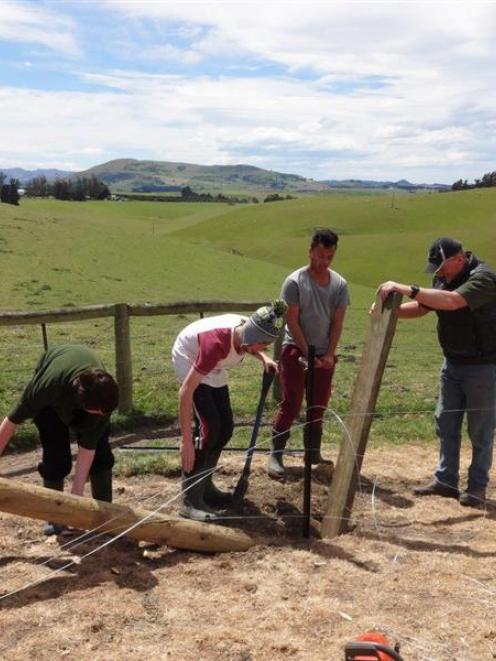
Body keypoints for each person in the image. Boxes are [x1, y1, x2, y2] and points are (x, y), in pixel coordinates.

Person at [376, 237, 496, 507]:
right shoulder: (443, 278)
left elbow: (453, 302)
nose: (439, 274)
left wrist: (406, 288)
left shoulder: (484, 278)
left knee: (480, 429)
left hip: (483, 366)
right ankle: (446, 480)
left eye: (442, 267)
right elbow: (423, 307)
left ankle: (477, 487)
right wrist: (388, 311)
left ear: (460, 258)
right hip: (452, 363)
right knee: (446, 423)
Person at [172, 300, 286, 522]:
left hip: (215, 366)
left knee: (225, 428)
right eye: (262, 347)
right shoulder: (215, 343)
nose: (262, 350)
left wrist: (263, 357)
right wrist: (186, 441)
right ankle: (189, 501)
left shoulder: (245, 332)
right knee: (209, 429)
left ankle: (206, 488)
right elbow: (185, 393)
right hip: (190, 359)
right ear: (253, 338)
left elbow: (247, 344)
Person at [0, 344, 119, 533]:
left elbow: (88, 447)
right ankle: (55, 515)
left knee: (101, 455)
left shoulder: (103, 397)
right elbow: (10, 423)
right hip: (51, 398)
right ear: (83, 402)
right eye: (97, 412)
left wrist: (76, 501)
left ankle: (104, 514)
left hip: (88, 395)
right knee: (56, 456)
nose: (101, 415)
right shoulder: (45, 388)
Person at [267, 228, 350, 479]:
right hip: (295, 350)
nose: (324, 262)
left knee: (319, 404)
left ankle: (312, 452)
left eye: (329, 257)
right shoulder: (294, 282)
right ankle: (276, 454)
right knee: (291, 403)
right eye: (320, 255)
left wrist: (329, 355)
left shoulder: (339, 284)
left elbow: (337, 322)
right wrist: (307, 353)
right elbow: (292, 320)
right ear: (310, 251)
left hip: (325, 354)